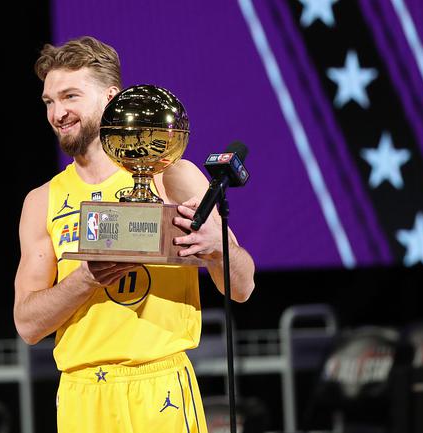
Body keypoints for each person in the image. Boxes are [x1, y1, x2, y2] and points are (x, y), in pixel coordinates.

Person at [13, 36, 255, 433]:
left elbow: (242, 287)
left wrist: (218, 249)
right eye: (49, 102)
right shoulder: (42, 201)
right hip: (80, 394)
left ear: (111, 98)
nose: (58, 113)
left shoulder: (171, 175)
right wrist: (87, 278)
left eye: (70, 96)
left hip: (160, 388)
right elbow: (27, 324)